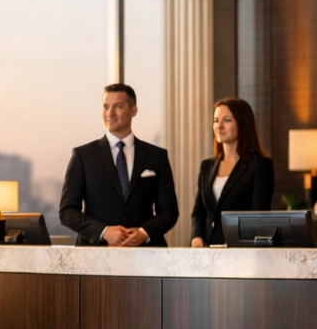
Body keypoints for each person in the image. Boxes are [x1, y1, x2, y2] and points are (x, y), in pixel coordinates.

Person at [58, 83, 179, 246]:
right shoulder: (83, 156)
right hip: (94, 255)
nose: (110, 113)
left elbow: (169, 211)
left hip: (147, 254)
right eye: (106, 106)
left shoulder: (156, 156)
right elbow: (67, 211)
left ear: (133, 110)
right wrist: (104, 231)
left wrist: (144, 233)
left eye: (118, 106)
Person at [189, 97, 275, 246]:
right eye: (216, 120)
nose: (219, 126)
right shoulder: (206, 166)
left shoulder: (260, 165)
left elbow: (259, 215)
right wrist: (196, 237)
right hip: (206, 249)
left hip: (241, 250)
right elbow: (199, 212)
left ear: (243, 123)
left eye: (227, 120)